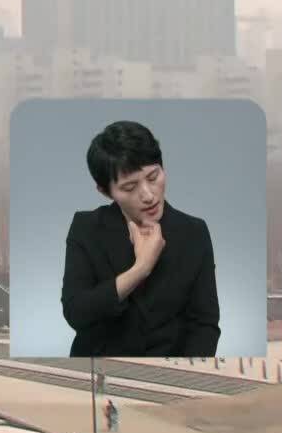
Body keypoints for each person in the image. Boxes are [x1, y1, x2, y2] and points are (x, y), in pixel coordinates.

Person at [60, 121, 220, 356]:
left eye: (153, 177)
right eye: (129, 187)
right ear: (105, 191)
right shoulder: (87, 228)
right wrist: (140, 269)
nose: (148, 195)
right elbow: (76, 313)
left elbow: (204, 326)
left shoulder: (194, 232)